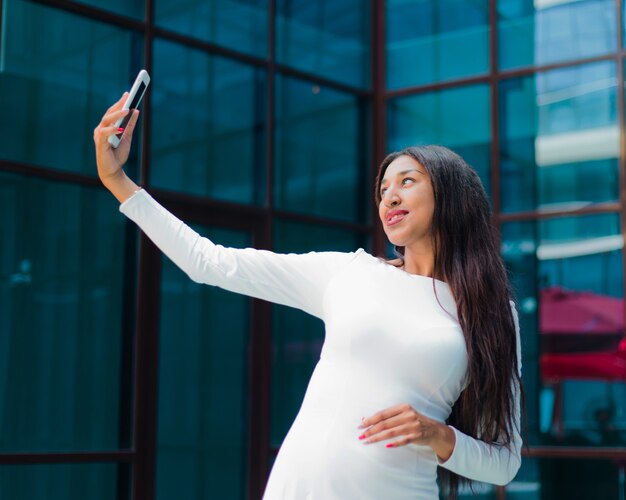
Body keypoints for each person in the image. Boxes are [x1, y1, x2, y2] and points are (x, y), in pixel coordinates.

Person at [94, 93, 523, 499]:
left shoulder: (491, 313)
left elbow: (504, 460)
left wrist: (439, 435)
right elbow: (210, 262)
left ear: (450, 195)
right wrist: (119, 182)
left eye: (407, 181)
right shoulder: (350, 273)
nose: (389, 195)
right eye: (383, 189)